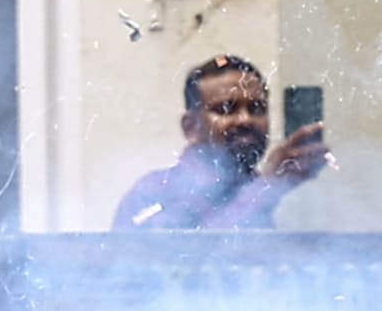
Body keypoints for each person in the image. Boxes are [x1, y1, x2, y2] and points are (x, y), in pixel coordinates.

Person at [110, 55, 324, 231]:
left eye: (257, 109)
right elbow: (187, 261)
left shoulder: (280, 189)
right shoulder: (153, 192)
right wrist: (265, 189)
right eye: (226, 109)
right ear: (190, 126)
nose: (245, 120)